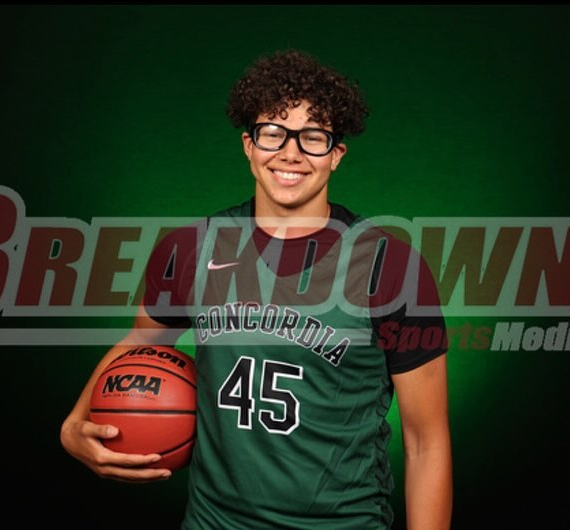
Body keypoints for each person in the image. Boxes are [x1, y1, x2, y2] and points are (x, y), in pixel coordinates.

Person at [61, 49, 452, 529]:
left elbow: (425, 442)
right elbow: (142, 340)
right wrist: (74, 423)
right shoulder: (191, 248)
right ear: (249, 145)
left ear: (336, 155)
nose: (290, 153)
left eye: (313, 137)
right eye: (273, 132)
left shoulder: (392, 267)